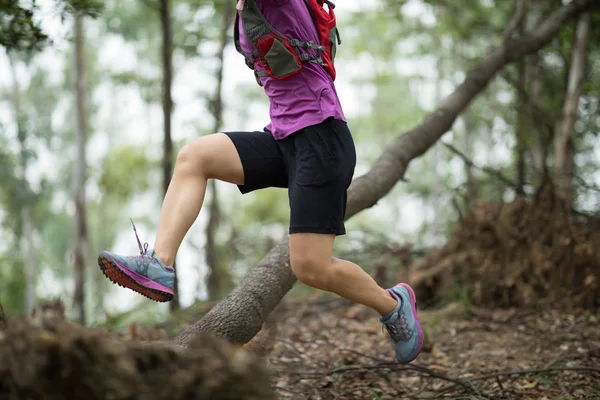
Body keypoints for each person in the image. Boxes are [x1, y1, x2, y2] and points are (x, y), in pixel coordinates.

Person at [98, 0, 423, 364]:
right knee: (195, 156)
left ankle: (393, 305)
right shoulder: (246, 8)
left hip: (321, 140)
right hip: (284, 139)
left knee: (310, 266)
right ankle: (159, 263)